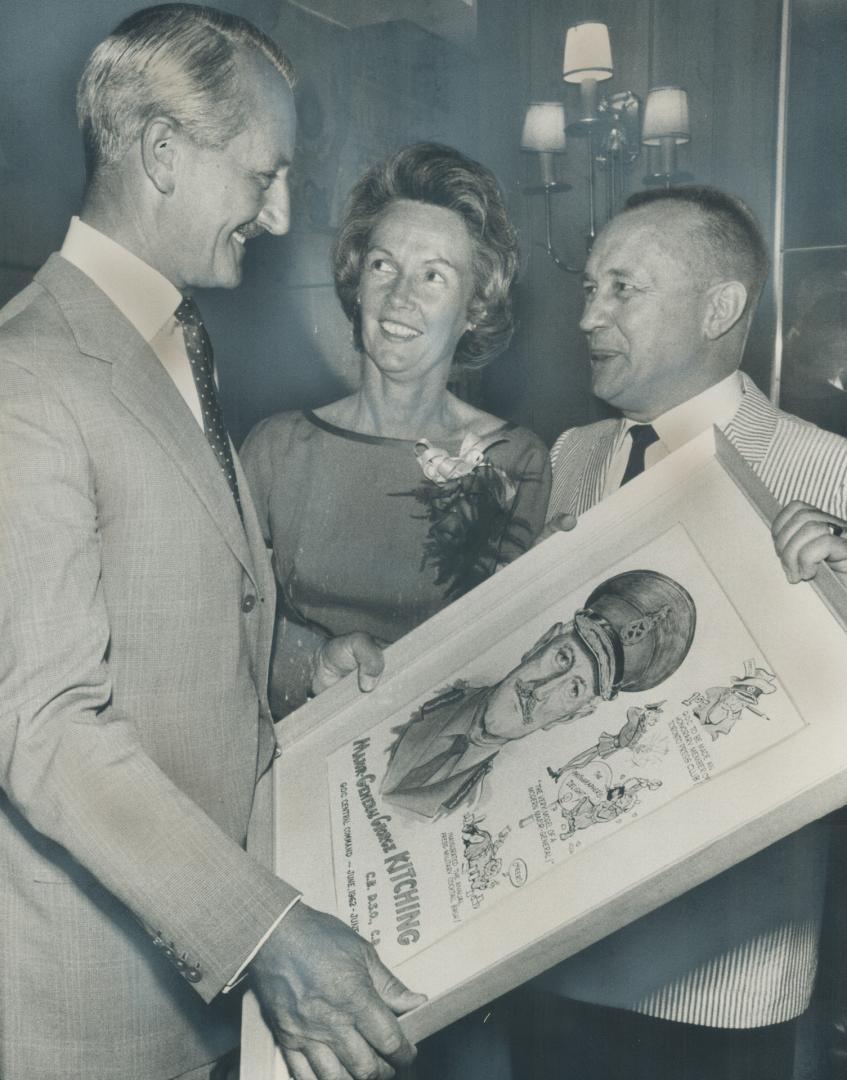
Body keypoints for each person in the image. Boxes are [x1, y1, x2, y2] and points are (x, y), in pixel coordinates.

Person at [0, 7, 424, 1080]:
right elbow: (44, 729)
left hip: (193, 1004)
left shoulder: (168, 340)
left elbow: (176, 609)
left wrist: (296, 663)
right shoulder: (27, 376)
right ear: (161, 155)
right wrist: (264, 931)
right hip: (89, 1012)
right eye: (261, 176)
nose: (280, 215)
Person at [528, 186, 847, 1079]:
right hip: (559, 958)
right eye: (587, 286)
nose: (588, 314)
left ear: (719, 308)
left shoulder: (827, 471)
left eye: (622, 288)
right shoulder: (571, 455)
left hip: (721, 984)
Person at [240, 142, 551, 715]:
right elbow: (229, 637)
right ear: (357, 283)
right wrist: (314, 664)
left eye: (434, 276)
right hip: (288, 749)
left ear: (475, 307)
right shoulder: (276, 450)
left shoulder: (515, 461)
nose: (399, 298)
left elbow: (510, 653)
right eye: (383, 265)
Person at [380, 569, 695, 818]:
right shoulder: (429, 684)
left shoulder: (480, 805)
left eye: (574, 688)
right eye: (562, 658)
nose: (540, 691)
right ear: (541, 641)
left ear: (574, 715)